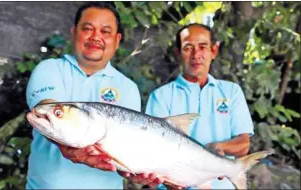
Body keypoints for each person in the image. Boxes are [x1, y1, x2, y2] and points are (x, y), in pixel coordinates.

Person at [25, 2, 160, 189]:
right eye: (88, 28)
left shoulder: (128, 88)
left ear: (117, 39)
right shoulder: (50, 69)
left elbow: (122, 152)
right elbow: (48, 109)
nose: (96, 37)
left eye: (105, 31)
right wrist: (67, 146)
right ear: (74, 32)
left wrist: (136, 171)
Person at [145, 23, 254, 189]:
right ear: (178, 53)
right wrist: (173, 182)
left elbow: (244, 145)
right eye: (188, 47)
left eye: (203, 47)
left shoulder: (231, 91)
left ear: (214, 51)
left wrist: (217, 147)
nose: (196, 54)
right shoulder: (161, 96)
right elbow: (154, 152)